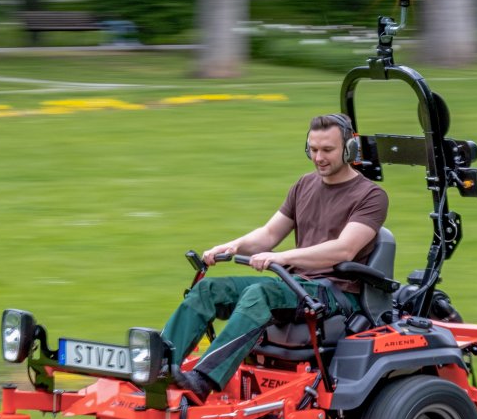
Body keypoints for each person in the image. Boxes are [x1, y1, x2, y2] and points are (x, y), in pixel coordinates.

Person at [163, 114, 388, 400]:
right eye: (313, 150)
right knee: (208, 290)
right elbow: (269, 234)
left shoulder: (371, 196)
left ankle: (203, 379)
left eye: (327, 150)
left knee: (261, 293)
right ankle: (157, 367)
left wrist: (281, 257)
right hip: (296, 286)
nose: (318, 158)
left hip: (336, 293)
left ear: (349, 149)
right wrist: (232, 246)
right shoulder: (304, 185)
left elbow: (343, 249)